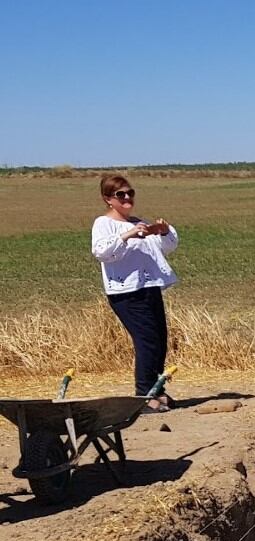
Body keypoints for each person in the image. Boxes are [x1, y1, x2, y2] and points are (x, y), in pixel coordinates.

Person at [90, 174, 179, 410]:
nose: (127, 197)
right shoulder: (104, 223)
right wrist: (127, 235)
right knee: (146, 340)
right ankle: (144, 395)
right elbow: (101, 251)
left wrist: (163, 230)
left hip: (149, 286)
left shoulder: (138, 221)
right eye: (121, 194)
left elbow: (167, 247)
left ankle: (156, 389)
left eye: (130, 193)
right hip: (125, 291)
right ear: (108, 199)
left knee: (159, 340)